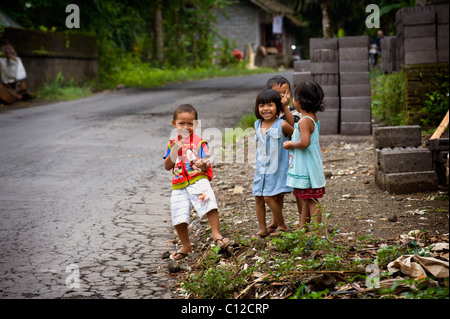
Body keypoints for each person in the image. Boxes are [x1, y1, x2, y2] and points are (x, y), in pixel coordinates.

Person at [163, 104, 228, 260]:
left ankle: (216, 234)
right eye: (181, 123)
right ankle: (186, 245)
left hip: (197, 179)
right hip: (179, 184)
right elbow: (167, 166)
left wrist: (203, 164)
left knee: (209, 203)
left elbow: (206, 163)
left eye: (190, 124)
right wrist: (174, 151)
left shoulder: (199, 142)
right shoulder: (172, 143)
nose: (186, 127)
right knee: (178, 214)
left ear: (196, 125)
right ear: (174, 124)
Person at [283, 81, 326, 232]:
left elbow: (305, 142)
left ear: (299, 101)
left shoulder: (304, 121)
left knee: (312, 200)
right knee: (305, 198)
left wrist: (290, 144)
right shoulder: (311, 116)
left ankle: (316, 232)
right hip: (308, 164)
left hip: (307, 167)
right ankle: (303, 227)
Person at [252, 89, 294, 238]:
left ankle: (281, 224)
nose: (266, 109)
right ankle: (262, 229)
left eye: (270, 105)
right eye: (262, 105)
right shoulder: (257, 124)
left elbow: (295, 135)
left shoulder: (281, 124)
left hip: (277, 167)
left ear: (277, 107)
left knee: (269, 196)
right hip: (261, 168)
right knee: (258, 196)